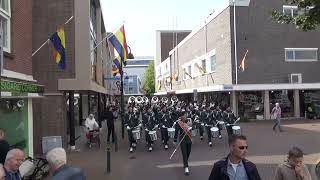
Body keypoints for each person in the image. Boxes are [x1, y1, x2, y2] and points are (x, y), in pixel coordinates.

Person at [174, 110, 192, 176]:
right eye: (184, 115)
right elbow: (176, 131)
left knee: (188, 152)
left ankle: (185, 162)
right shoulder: (178, 123)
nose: (185, 116)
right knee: (184, 153)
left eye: (186, 115)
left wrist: (192, 127)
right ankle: (186, 167)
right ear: (181, 116)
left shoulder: (189, 120)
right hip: (182, 140)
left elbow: (194, 126)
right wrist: (175, 140)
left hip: (189, 139)